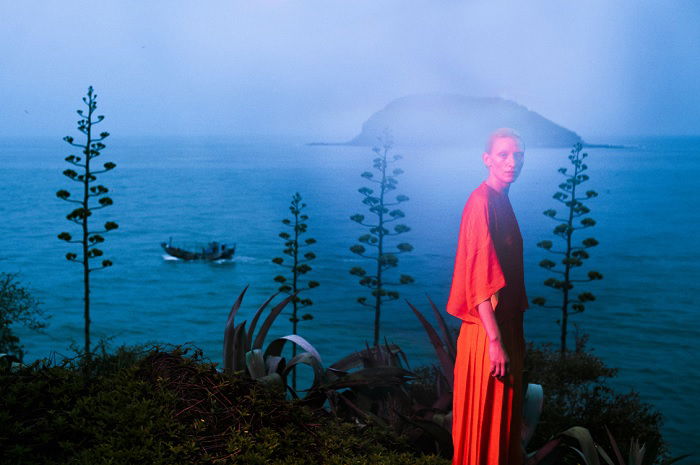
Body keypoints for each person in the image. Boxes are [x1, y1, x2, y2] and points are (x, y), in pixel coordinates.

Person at [447, 128, 528, 465]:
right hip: (486, 334)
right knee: (483, 431)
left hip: (504, 329)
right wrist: (495, 342)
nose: (512, 162)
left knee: (502, 427)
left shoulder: (501, 199)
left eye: (518, 155)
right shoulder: (481, 203)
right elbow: (480, 280)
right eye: (504, 155)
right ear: (487, 160)